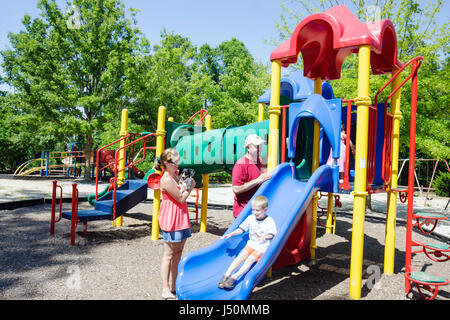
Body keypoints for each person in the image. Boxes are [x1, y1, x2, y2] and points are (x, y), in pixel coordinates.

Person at [155, 148, 196, 300]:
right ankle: (165, 289)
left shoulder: (176, 176)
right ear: (166, 163)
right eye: (175, 162)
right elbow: (180, 198)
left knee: (178, 252)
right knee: (169, 254)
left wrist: (187, 182)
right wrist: (190, 186)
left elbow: (181, 189)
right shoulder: (166, 179)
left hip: (180, 216)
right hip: (171, 217)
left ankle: (174, 285)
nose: (177, 165)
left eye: (178, 161)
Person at [218, 195, 277, 290]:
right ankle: (227, 274)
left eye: (257, 210)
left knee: (249, 260)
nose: (255, 212)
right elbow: (241, 229)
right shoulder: (251, 218)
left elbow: (272, 234)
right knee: (241, 256)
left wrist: (264, 237)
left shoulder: (269, 221)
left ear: (265, 210)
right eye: (253, 210)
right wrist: (232, 233)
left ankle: (234, 277)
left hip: (262, 247)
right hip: (251, 244)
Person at [232, 134, 272, 218]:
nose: (259, 149)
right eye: (256, 146)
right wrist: (258, 180)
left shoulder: (258, 160)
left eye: (260, 146)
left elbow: (260, 176)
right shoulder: (241, 164)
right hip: (243, 212)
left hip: (255, 210)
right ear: (248, 148)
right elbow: (236, 189)